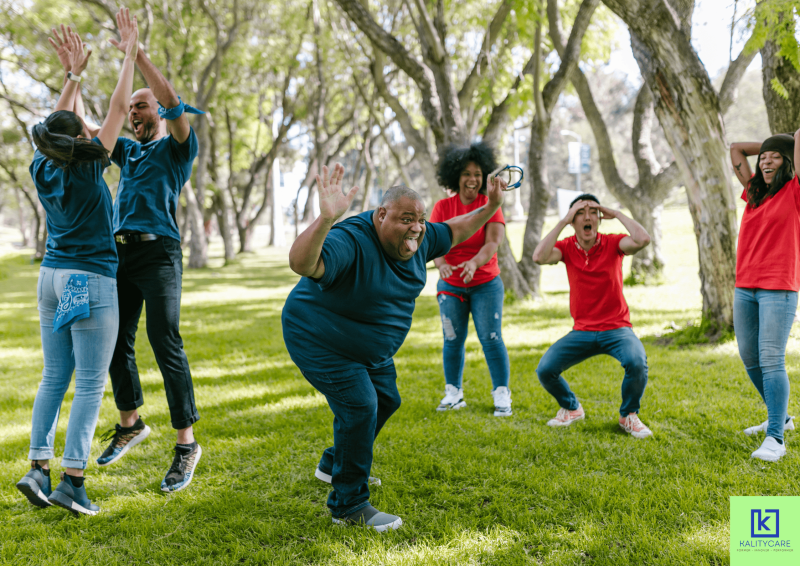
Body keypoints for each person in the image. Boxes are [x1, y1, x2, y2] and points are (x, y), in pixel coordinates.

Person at [282, 163, 506, 531]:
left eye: (419, 220)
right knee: (360, 405)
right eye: (405, 219)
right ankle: (348, 505)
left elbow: (455, 229)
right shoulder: (352, 239)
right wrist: (325, 220)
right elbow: (301, 262)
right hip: (320, 338)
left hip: (368, 347)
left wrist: (490, 206)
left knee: (386, 399)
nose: (415, 228)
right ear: (380, 215)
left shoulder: (420, 238)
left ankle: (333, 464)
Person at [16, 11, 138, 515]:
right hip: (89, 279)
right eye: (87, 129)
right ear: (83, 140)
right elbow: (116, 106)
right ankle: (72, 480)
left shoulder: (42, 165)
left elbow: (57, 126)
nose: (95, 127)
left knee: (53, 376)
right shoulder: (91, 168)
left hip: (51, 278)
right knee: (89, 383)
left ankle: (37, 469)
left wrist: (72, 77)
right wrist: (129, 54)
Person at [92, 9, 203, 492]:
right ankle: (131, 423)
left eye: (143, 106)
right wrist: (74, 73)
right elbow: (99, 125)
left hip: (160, 254)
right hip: (120, 255)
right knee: (113, 341)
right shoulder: (128, 152)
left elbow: (173, 101)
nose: (135, 112)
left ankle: (185, 445)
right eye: (133, 108)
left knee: (165, 341)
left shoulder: (177, 147)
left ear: (157, 112)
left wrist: (138, 56)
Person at [532, 194, 653, 438]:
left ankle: (628, 415)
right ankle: (571, 407)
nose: (587, 217)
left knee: (636, 362)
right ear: (572, 220)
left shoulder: (613, 243)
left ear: (599, 219)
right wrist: (562, 222)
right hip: (583, 331)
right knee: (545, 369)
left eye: (593, 212)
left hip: (617, 328)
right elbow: (539, 257)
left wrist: (617, 213)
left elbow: (643, 239)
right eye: (579, 213)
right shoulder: (566, 247)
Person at [730, 133, 800, 462]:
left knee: (771, 359)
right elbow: (736, 150)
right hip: (745, 285)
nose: (766, 161)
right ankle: (781, 418)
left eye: (775, 157)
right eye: (764, 157)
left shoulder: (795, 190)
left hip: (778, 286)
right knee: (750, 357)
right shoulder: (753, 193)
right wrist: (772, 146)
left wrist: (786, 144)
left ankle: (775, 439)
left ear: (788, 160)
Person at [430, 142, 511, 416]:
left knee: (491, 337)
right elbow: (434, 243)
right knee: (452, 339)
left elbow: (492, 243)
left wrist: (474, 263)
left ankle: (502, 393)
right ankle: (453, 392)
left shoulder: (491, 205)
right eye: (466, 174)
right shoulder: (442, 207)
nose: (473, 179)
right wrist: (441, 264)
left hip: (485, 283)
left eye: (478, 174)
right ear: (455, 177)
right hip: (451, 285)